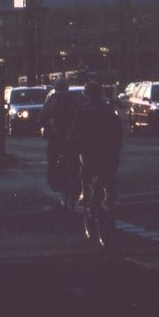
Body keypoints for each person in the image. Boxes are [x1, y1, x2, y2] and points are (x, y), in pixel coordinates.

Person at [70, 75, 123, 233]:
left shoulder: (83, 110)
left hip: (90, 152)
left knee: (85, 173)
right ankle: (110, 200)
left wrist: (73, 143)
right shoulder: (108, 110)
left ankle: (85, 195)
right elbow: (118, 129)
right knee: (110, 177)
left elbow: (74, 130)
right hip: (108, 151)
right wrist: (117, 144)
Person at [40, 76, 82, 208]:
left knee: (53, 160)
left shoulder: (53, 100)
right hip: (73, 138)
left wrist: (45, 125)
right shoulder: (75, 99)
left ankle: (57, 183)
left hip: (57, 137)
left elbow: (42, 116)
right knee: (77, 163)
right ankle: (77, 187)